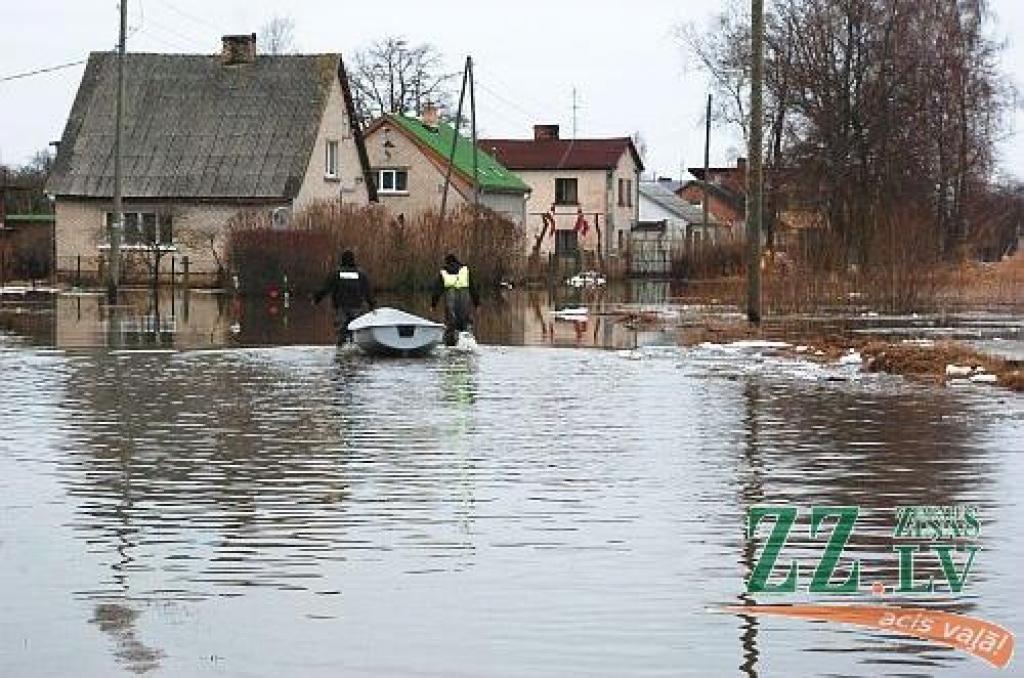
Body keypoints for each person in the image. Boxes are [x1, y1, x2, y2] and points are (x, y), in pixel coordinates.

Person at [313, 249, 375, 343]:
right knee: (355, 329)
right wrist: (372, 305)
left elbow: (325, 288)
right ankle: (353, 345)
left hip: (341, 307)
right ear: (353, 260)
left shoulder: (336, 273)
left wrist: (316, 299)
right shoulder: (361, 274)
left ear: (342, 260)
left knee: (341, 331)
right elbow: (367, 291)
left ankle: (342, 348)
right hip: (357, 307)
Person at [431, 253, 480, 346]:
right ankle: (468, 341)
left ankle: (451, 342)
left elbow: (437, 290)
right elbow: (473, 288)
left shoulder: (443, 272)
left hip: (450, 297)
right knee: (465, 321)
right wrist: (477, 303)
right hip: (464, 297)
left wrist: (433, 304)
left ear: (447, 262)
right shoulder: (465, 270)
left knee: (451, 323)